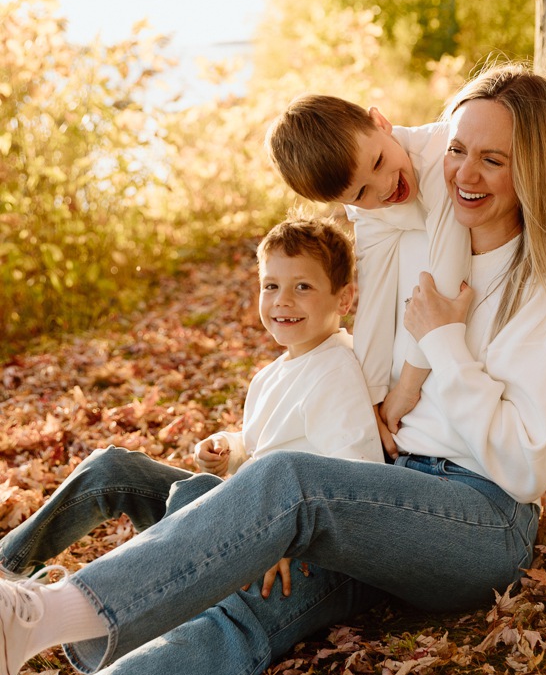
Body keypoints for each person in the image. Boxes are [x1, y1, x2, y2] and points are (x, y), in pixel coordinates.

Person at [0, 64, 546, 675]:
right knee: (254, 603)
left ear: (530, 166)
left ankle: (41, 615)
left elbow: (529, 466)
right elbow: (371, 309)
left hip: (482, 520)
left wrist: (445, 346)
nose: (465, 172)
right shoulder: (420, 231)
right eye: (458, 149)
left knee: (288, 484)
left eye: (493, 159)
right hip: (388, 494)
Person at [267, 87, 546, 509]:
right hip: (493, 250)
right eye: (360, 194)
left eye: (380, 163)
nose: (384, 188)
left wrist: (405, 387)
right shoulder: (370, 205)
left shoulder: (444, 154)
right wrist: (370, 397)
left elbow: (446, 273)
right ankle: (537, 441)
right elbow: (375, 289)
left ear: (380, 122)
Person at [0, 216, 384, 593]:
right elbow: (264, 444)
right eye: (271, 285)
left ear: (344, 298)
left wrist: (280, 540)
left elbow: (354, 484)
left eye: (302, 286)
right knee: (112, 468)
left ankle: (88, 600)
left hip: (276, 535)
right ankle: (7, 566)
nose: (282, 300)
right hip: (238, 512)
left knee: (190, 495)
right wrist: (230, 449)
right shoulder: (274, 373)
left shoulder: (337, 370)